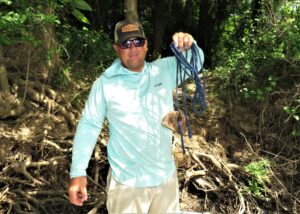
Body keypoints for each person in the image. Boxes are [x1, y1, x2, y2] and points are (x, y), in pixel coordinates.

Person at [68, 19, 204, 213]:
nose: (133, 48)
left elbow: (196, 62)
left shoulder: (163, 70)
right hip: (127, 185)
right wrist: (77, 173)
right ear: (116, 48)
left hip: (166, 179)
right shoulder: (105, 84)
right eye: (126, 43)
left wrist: (190, 44)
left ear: (146, 45)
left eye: (138, 41)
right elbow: (89, 126)